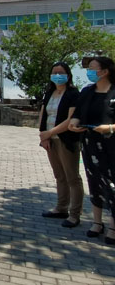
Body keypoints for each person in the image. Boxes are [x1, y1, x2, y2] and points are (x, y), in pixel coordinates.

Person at [69, 56, 115, 245]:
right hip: (90, 144)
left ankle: (113, 226)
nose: (88, 71)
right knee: (94, 182)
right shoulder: (87, 91)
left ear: (104, 71)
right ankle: (97, 223)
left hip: (111, 146)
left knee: (112, 185)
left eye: (92, 68)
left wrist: (110, 128)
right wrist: (74, 123)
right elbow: (78, 113)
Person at [38, 62, 82, 228]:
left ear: (68, 75)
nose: (57, 75)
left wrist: (50, 133)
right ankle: (61, 207)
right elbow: (43, 114)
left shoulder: (73, 94)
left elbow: (70, 119)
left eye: (61, 72)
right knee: (59, 175)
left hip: (66, 139)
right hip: (50, 140)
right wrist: (43, 135)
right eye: (54, 72)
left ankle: (75, 214)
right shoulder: (49, 92)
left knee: (72, 178)